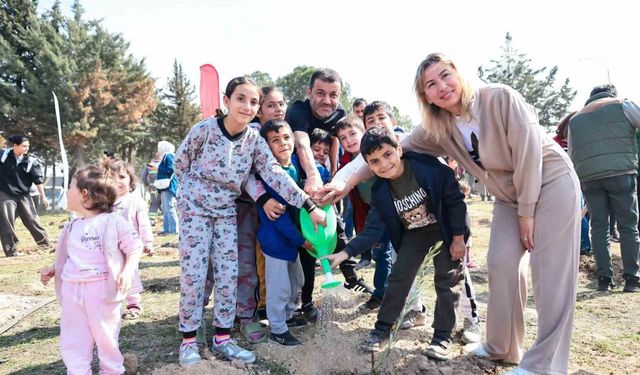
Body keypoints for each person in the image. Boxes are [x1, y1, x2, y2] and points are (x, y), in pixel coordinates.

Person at [321, 53, 581, 375]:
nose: (442, 86)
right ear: (425, 96)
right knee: (501, 263)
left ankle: (546, 365)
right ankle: (502, 346)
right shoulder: (438, 128)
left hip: (550, 181)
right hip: (508, 196)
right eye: (431, 84)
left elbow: (529, 154)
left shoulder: (499, 98)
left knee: (550, 274)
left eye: (446, 75)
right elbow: (384, 149)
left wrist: (527, 213)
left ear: (459, 74)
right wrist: (343, 183)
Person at [173, 76, 326, 367]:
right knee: (194, 274)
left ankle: (222, 337)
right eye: (240, 98)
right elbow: (181, 164)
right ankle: (189, 340)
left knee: (230, 273)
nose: (247, 105)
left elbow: (274, 175)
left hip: (226, 212)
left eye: (253, 101)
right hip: (195, 211)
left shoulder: (254, 140)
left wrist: (308, 204)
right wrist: (187, 202)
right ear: (226, 101)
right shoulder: (204, 131)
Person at [326, 126, 467, 361]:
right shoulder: (380, 191)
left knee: (447, 279)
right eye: (374, 161)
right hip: (415, 234)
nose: (383, 164)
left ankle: (442, 337)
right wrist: (345, 253)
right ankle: (382, 329)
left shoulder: (429, 169)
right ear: (368, 166)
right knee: (399, 278)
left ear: (399, 149)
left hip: (445, 229)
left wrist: (458, 238)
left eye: (387, 154)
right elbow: (372, 230)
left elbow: (454, 202)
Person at [40, 166, 142, 374]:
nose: (67, 193)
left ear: (84, 195)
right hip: (72, 290)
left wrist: (127, 271)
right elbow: (71, 255)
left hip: (101, 291)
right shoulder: (72, 226)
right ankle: (77, 370)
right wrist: (54, 268)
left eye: (70, 188)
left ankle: (112, 370)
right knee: (73, 337)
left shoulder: (111, 221)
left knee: (106, 335)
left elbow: (134, 247)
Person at [568, 84, 640, 292]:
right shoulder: (622, 104)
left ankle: (604, 280)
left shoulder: (575, 119)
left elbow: (572, 153)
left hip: (589, 178)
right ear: (611, 94)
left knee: (598, 228)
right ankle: (632, 280)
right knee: (628, 226)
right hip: (621, 174)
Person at [257, 119, 316, 346]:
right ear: (267, 146)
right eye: (275, 140)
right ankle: (278, 328)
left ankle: (289, 316)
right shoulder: (271, 174)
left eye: (286, 137)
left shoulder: (292, 166)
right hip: (276, 242)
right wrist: (301, 241)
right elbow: (279, 219)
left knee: (297, 281)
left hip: (291, 242)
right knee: (279, 287)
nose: (283, 143)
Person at [334, 114, 392, 308]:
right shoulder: (345, 161)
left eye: (352, 134)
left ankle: (385, 295)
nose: (349, 140)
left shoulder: (371, 155)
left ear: (364, 133)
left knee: (387, 254)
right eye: (343, 138)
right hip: (370, 213)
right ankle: (381, 293)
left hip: (389, 211)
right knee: (380, 253)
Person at [102, 158, 154, 321]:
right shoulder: (105, 204)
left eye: (122, 177)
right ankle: (111, 303)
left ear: (131, 180)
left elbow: (144, 223)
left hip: (132, 247)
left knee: (131, 273)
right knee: (111, 273)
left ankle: (133, 304)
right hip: (111, 247)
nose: (117, 181)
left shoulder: (135, 201)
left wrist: (148, 242)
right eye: (112, 177)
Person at [0, 135, 50, 257]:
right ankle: (11, 251)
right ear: (15, 146)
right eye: (24, 146)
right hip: (5, 192)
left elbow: (38, 181)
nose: (27, 148)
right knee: (7, 222)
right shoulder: (2, 155)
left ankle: (45, 244)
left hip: (23, 194)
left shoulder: (31, 161)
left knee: (32, 219)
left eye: (28, 146)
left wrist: (43, 197)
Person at [554, 111, 592, 256]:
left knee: (581, 215)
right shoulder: (557, 142)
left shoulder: (579, 142)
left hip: (575, 180)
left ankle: (581, 246)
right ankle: (581, 246)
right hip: (566, 182)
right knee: (577, 214)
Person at [156, 141, 179, 235]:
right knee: (165, 208)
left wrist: (159, 168)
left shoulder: (168, 156)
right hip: (166, 186)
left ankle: (173, 230)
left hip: (168, 186)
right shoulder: (168, 156)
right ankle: (167, 229)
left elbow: (171, 169)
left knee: (169, 208)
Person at [140, 152, 162, 225]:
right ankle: (167, 222)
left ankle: (151, 220)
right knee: (166, 206)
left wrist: (146, 185)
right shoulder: (164, 164)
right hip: (165, 189)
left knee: (154, 205)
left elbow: (143, 176)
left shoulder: (149, 166)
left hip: (154, 189)